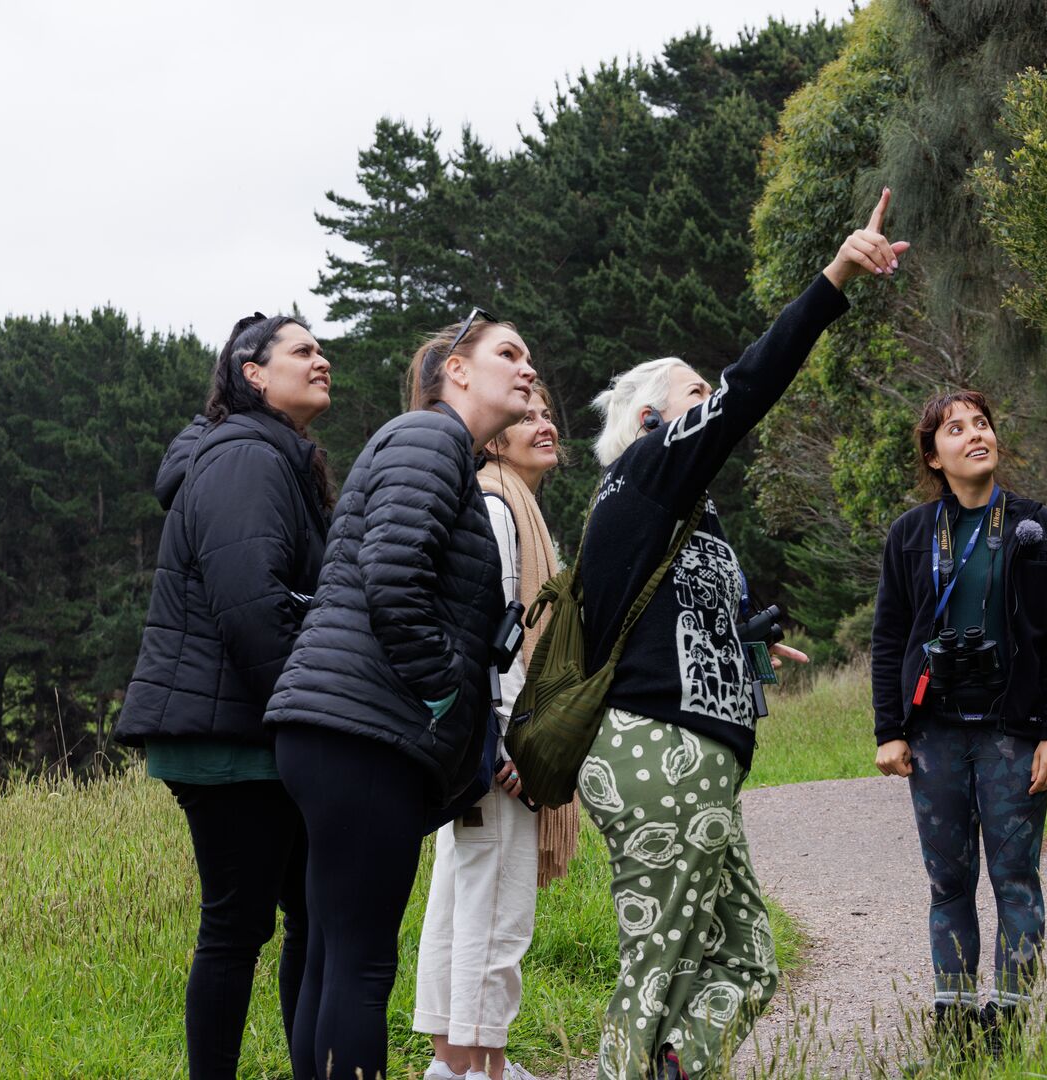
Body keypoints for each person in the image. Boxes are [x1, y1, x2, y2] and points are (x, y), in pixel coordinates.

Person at [574, 192, 907, 1080]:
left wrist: (747, 640)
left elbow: (655, 617)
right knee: (656, 966)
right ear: (653, 419)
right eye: (695, 394)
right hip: (658, 751)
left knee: (747, 958)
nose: (711, 402)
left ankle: (673, 1070)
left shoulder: (680, 513)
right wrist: (836, 275)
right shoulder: (647, 473)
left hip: (700, 752)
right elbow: (753, 385)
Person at [265, 308, 537, 1080]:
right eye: (509, 354)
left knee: (334, 955)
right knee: (358, 967)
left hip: (338, 730)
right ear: (456, 370)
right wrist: (447, 695)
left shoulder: (445, 450)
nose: (527, 370)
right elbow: (392, 578)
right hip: (366, 734)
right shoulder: (430, 438)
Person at [113, 313, 334, 1079]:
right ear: (251, 372)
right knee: (241, 928)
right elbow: (250, 606)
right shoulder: (246, 457)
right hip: (237, 739)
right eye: (302, 350)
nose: (321, 359)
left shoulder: (270, 453)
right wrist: (313, 714)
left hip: (248, 729)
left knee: (305, 919)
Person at [869, 389, 1047, 1058]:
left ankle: (1009, 1029)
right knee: (948, 884)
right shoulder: (910, 534)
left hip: (1013, 733)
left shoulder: (1037, 529)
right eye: (955, 429)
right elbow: (889, 637)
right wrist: (889, 730)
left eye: (981, 424)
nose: (973, 435)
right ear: (934, 456)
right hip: (933, 735)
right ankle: (956, 1031)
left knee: (1016, 880)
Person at [414, 380, 574, 1080]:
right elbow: (496, 633)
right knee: (493, 910)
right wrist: (512, 744)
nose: (543, 424)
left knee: (460, 899)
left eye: (546, 414)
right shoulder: (499, 505)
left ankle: (457, 1065)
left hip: (475, 741)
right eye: (527, 416)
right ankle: (481, 1069)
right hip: (498, 747)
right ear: (495, 436)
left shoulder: (507, 502)